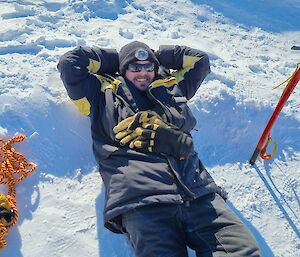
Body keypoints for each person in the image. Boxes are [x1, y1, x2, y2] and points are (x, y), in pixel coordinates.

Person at [58, 41, 261, 257]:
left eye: (149, 67)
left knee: (244, 252)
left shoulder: (173, 88)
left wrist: (156, 56)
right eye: (135, 67)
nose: (143, 73)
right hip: (142, 199)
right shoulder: (99, 96)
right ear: (123, 69)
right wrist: (116, 60)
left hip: (197, 192)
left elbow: (200, 60)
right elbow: (70, 63)